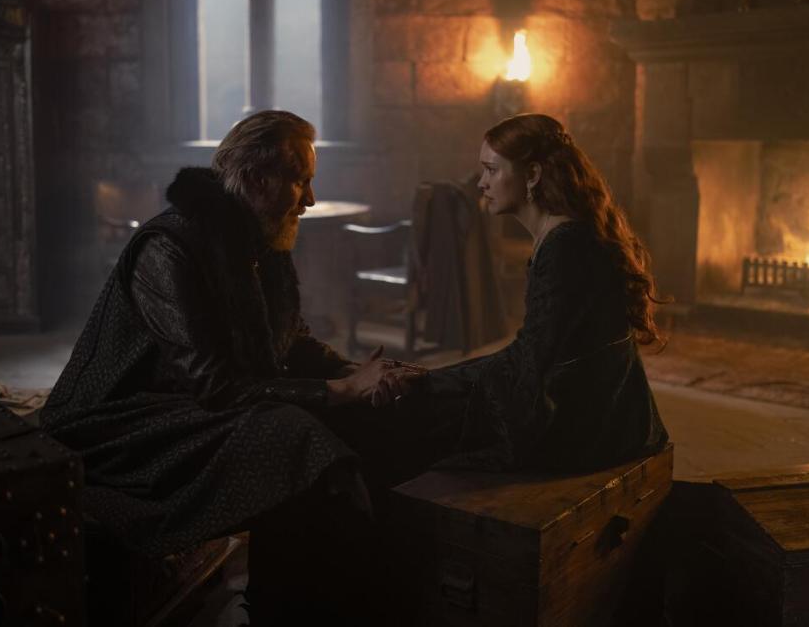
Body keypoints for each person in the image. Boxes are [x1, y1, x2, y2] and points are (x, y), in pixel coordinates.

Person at [39, 110, 424, 624]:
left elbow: (291, 342)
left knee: (354, 422)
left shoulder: (261, 236)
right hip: (119, 424)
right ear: (255, 180)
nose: (310, 199)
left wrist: (359, 373)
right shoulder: (167, 248)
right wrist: (341, 390)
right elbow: (216, 387)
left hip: (190, 402)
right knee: (290, 434)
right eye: (300, 181)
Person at [426, 113, 668, 473]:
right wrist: (434, 380)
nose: (481, 182)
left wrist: (431, 381)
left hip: (598, 432)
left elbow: (530, 359)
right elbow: (534, 355)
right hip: (610, 418)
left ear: (533, 175)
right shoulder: (566, 235)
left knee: (427, 429)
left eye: (491, 170)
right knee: (439, 412)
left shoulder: (565, 246)